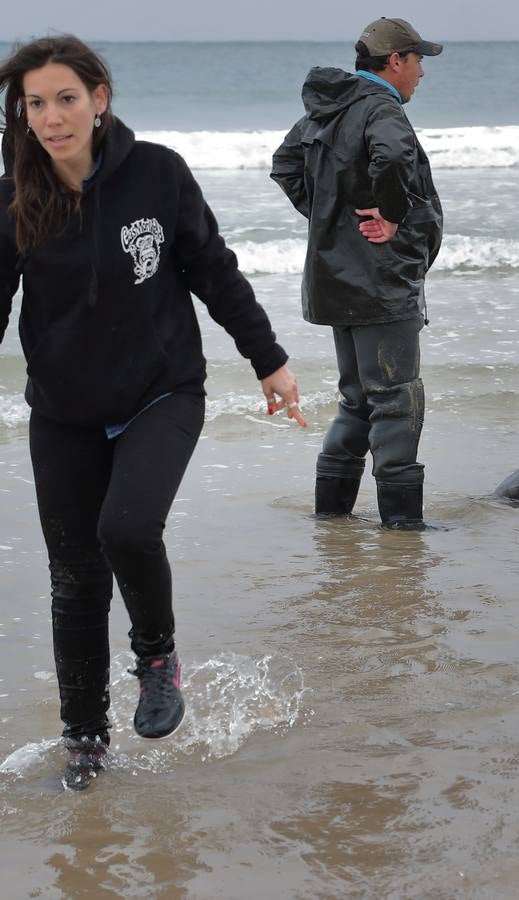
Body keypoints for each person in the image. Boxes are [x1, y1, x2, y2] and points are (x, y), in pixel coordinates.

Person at [0, 36, 305, 791]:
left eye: (65, 98)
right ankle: (85, 741)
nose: (51, 116)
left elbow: (212, 267)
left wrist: (267, 358)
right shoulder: (14, 197)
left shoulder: (158, 173)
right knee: (73, 581)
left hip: (162, 391)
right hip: (65, 409)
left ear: (99, 98)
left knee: (127, 528)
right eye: (35, 103)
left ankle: (157, 657)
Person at [271, 17, 443, 529]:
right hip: (379, 282)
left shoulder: (329, 107)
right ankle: (402, 525)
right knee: (396, 399)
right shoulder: (380, 108)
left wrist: (333, 222)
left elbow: (285, 165)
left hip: (336, 280)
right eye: (417, 61)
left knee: (359, 399)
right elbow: (390, 155)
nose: (420, 73)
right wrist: (388, 217)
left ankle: (332, 517)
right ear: (395, 62)